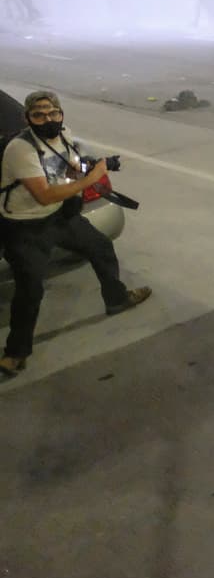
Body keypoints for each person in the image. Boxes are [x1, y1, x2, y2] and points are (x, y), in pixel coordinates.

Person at [0, 92, 152, 378]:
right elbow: (44, 195)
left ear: (61, 114)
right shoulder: (20, 149)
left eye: (53, 113)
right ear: (27, 119)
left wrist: (95, 165)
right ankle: (15, 353)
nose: (48, 119)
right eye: (39, 115)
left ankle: (116, 299)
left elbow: (68, 166)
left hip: (59, 217)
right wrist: (91, 178)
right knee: (30, 289)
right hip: (26, 227)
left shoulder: (64, 135)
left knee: (101, 247)